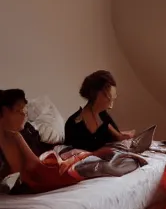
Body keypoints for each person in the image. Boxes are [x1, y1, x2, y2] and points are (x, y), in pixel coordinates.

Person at [0, 89, 144, 194]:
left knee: (99, 156)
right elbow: (35, 168)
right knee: (95, 164)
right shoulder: (14, 135)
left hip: (53, 155)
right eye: (19, 111)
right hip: (49, 166)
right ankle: (121, 159)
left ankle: (123, 156)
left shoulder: (24, 130)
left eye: (25, 111)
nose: (24, 115)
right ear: (4, 112)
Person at [65, 70, 135, 151]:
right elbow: (71, 156)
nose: (111, 107)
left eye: (113, 100)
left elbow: (117, 136)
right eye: (109, 99)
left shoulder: (103, 115)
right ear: (96, 94)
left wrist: (124, 137)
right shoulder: (73, 124)